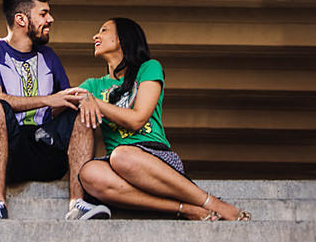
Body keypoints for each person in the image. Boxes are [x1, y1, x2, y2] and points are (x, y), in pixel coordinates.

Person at [75, 17, 252, 221]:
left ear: (123, 39)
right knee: (89, 173)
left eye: (104, 30)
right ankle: (184, 208)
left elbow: (137, 119)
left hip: (154, 157)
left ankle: (212, 202)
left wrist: (93, 102)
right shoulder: (93, 85)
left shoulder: (148, 68)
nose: (96, 36)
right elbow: (58, 107)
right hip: (117, 166)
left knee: (122, 155)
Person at [0, 0, 112, 220]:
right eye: (44, 14)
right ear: (21, 19)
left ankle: (78, 203)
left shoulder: (49, 56)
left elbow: (63, 102)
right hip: (9, 155)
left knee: (80, 113)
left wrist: (84, 98)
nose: (51, 19)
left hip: (45, 150)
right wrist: (47, 99)